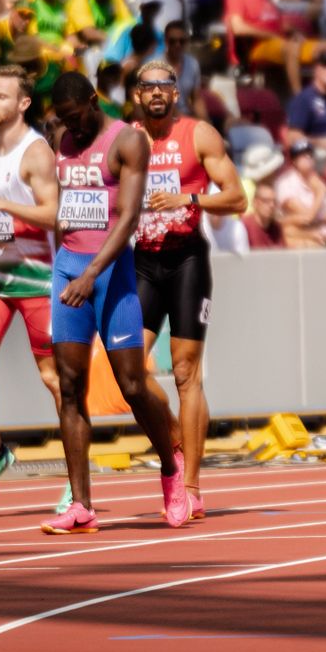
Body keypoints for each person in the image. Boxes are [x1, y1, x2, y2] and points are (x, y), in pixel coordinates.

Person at [43, 71, 188, 534]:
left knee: (131, 385)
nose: (71, 128)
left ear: (93, 100)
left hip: (111, 273)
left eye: (76, 117)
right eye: (63, 121)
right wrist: (68, 264)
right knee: (69, 385)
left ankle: (170, 467)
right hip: (70, 269)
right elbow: (62, 205)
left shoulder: (126, 141)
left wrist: (91, 274)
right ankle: (81, 503)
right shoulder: (61, 139)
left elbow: (127, 218)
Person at [132, 58, 245, 522]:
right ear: (137, 96)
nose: (157, 92)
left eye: (165, 85)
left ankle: (192, 484)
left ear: (175, 93)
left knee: (185, 373)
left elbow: (238, 198)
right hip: (141, 260)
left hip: (187, 260)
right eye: (147, 86)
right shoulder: (128, 138)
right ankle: (176, 434)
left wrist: (189, 198)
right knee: (128, 372)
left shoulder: (199, 135)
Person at [0, 66, 62, 504]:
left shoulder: (35, 151)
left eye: (1, 96)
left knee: (54, 379)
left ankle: (77, 479)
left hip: (36, 278)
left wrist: (3, 205)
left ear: (24, 103)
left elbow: (54, 214)